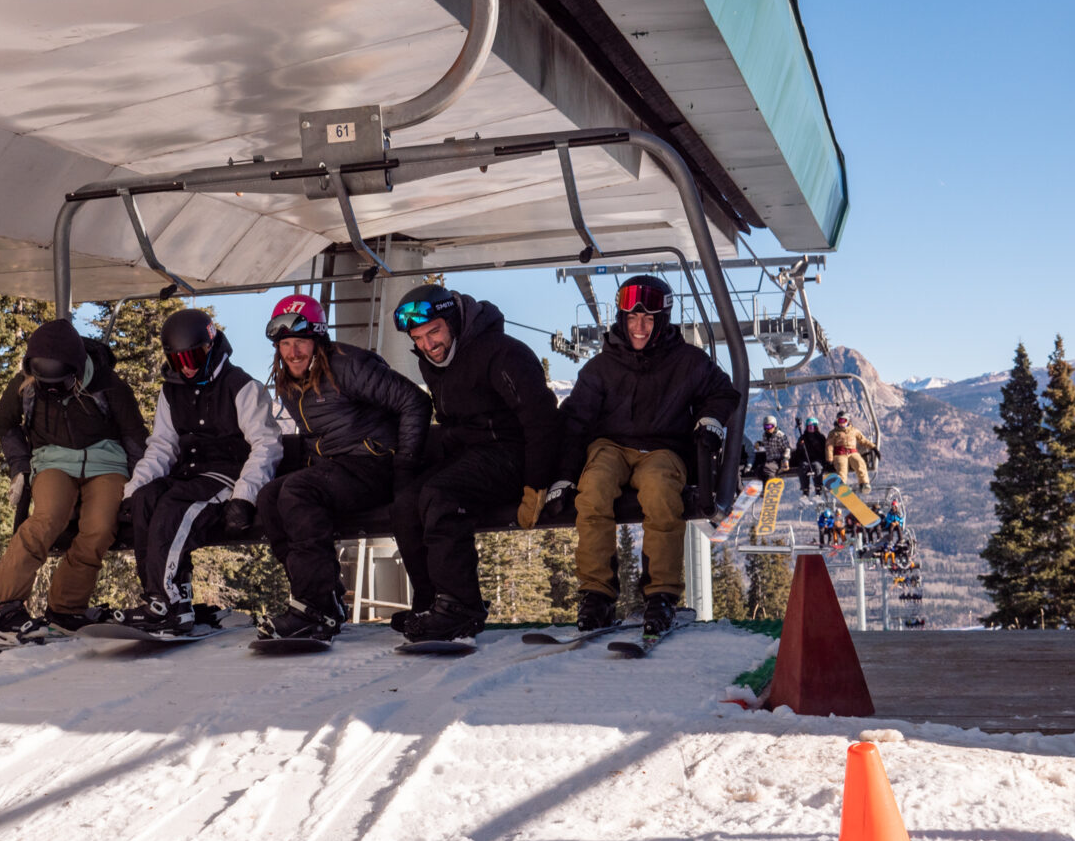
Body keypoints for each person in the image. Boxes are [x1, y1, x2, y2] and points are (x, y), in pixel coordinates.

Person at [555, 275, 739, 636]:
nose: (640, 327)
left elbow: (722, 393)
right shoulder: (601, 367)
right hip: (610, 446)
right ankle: (596, 593)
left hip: (663, 448)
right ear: (622, 319)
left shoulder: (687, 361)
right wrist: (562, 475)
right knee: (593, 490)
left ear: (661, 322)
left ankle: (661, 594)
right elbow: (574, 422)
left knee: (660, 493)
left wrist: (710, 419)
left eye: (649, 320)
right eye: (633, 318)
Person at [389, 283, 559, 643]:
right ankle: (430, 601)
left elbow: (541, 419)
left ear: (453, 321)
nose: (428, 344)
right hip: (470, 456)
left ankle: (459, 607)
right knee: (405, 504)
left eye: (433, 332)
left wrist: (537, 484)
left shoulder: (502, 354)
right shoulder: (433, 360)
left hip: (513, 454)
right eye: (418, 338)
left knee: (441, 496)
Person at [255, 295, 431, 642]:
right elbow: (313, 437)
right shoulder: (288, 381)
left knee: (297, 492)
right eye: (285, 344)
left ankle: (315, 608)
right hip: (337, 471)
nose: (293, 352)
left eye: (300, 343)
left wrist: (405, 466)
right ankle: (322, 598)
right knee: (269, 498)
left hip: (374, 465)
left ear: (317, 340)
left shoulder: (348, 366)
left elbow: (415, 402)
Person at [116, 309, 282, 635]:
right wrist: (132, 492)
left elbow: (267, 444)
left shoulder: (241, 387)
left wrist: (245, 497)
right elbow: (163, 447)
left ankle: (167, 603)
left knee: (173, 506)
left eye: (193, 356)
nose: (188, 366)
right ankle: (162, 601)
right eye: (179, 361)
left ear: (210, 347)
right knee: (148, 500)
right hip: (188, 475)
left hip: (227, 476)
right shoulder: (171, 391)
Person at [0, 320, 147, 643]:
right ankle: (0, 606)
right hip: (52, 461)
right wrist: (20, 466)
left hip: (106, 463)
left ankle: (66, 608)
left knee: (100, 527)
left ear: (76, 370)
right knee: (47, 518)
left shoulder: (108, 386)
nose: (53, 391)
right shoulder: (26, 386)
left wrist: (140, 484)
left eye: (62, 383)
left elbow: (134, 436)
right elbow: (5, 423)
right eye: (46, 384)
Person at [825, 411, 876, 493]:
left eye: (843, 421)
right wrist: (829, 459)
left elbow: (863, 440)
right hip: (840, 454)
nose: (841, 423)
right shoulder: (834, 433)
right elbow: (829, 446)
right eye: (839, 421)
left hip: (853, 452)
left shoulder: (854, 431)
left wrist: (873, 447)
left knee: (860, 463)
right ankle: (841, 484)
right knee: (842, 467)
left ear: (848, 421)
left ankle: (864, 483)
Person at [750, 415, 792, 482]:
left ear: (774, 426)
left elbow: (787, 448)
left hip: (779, 461)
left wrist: (785, 459)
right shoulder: (765, 436)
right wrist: (759, 443)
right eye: (766, 426)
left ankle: (772, 483)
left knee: (767, 468)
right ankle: (765, 487)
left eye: (770, 426)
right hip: (770, 460)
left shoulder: (780, 435)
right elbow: (766, 444)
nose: (768, 429)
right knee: (759, 470)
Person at [792, 416, 827, 496]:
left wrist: (817, 445)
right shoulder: (803, 437)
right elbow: (798, 451)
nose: (811, 429)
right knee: (803, 467)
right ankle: (805, 490)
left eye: (813, 427)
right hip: (806, 459)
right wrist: (801, 446)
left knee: (816, 467)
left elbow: (824, 450)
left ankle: (818, 488)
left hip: (817, 459)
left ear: (816, 427)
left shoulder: (821, 437)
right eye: (809, 427)